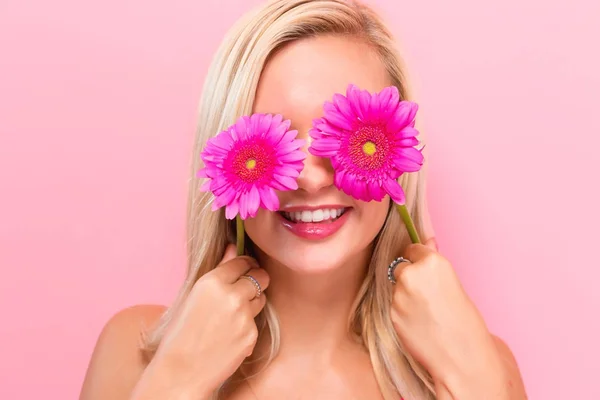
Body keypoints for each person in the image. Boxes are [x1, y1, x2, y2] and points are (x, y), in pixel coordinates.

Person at [79, 0, 527, 399]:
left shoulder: (482, 364)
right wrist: (176, 380)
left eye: (341, 137)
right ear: (228, 161)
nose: (310, 179)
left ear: (399, 147)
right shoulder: (134, 350)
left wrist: (472, 377)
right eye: (277, 139)